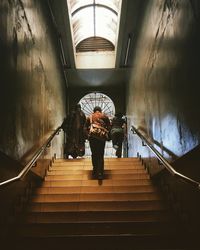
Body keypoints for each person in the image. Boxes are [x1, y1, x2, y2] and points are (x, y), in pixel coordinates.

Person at [85, 106, 111, 180]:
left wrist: (88, 136)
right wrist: (107, 135)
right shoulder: (104, 116)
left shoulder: (89, 117)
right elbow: (109, 127)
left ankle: (95, 169)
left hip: (92, 138)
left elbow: (84, 128)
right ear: (100, 110)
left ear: (94, 111)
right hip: (101, 138)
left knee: (94, 153)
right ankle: (100, 172)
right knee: (100, 154)